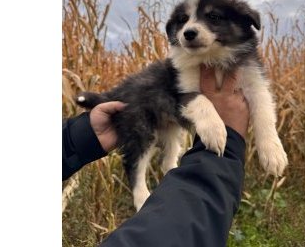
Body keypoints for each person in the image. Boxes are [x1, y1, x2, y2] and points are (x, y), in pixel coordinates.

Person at [62, 66, 250, 246]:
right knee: (143, 140)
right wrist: (226, 149)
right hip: (153, 106)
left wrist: (78, 136)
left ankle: (164, 168)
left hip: (155, 106)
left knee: (165, 145)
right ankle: (139, 188)